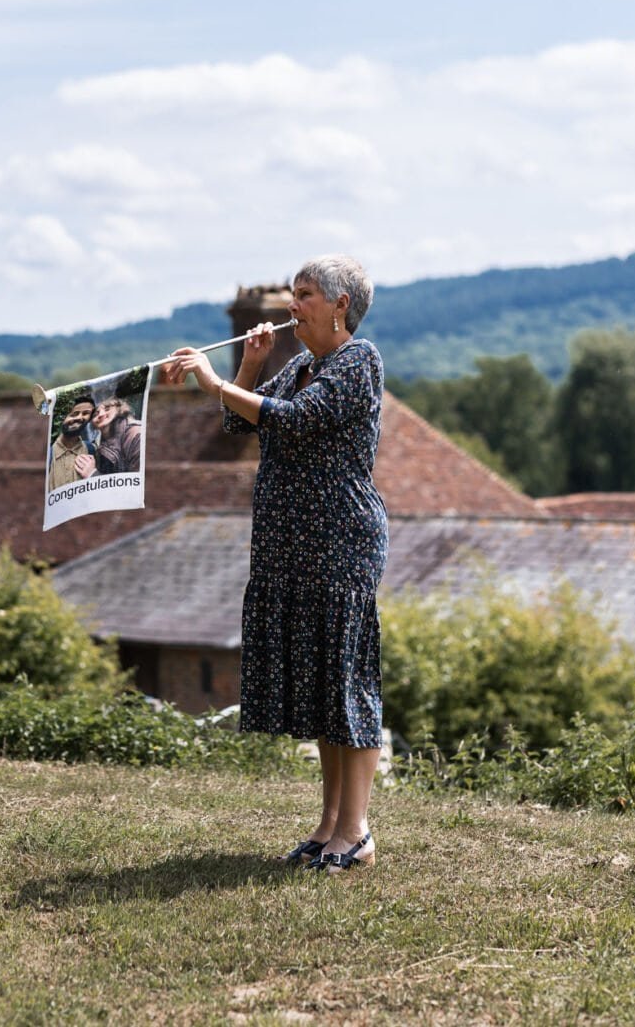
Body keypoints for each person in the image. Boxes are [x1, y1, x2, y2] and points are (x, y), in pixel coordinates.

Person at [167, 254, 388, 874]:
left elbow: (294, 420)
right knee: (321, 687)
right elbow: (240, 427)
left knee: (346, 684)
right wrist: (248, 367)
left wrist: (213, 382)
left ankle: (357, 832)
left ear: (341, 305)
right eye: (294, 292)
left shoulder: (358, 361)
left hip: (339, 541)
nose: (295, 304)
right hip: (292, 547)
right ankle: (327, 827)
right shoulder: (301, 364)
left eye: (307, 293)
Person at [75, 397, 142, 477]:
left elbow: (138, 484)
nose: (100, 414)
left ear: (119, 410)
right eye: (95, 414)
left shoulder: (136, 435)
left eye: (107, 409)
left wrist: (92, 474)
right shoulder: (102, 440)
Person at [47, 395, 96, 491]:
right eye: (74, 413)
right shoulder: (48, 453)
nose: (79, 418)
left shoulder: (92, 450)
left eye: (85, 413)